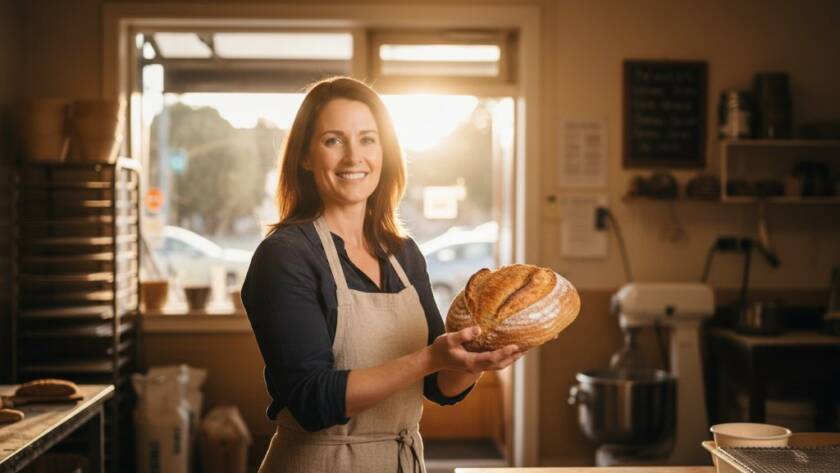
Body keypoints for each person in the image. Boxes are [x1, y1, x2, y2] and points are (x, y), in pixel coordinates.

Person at [241, 76, 522, 473]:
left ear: (385, 153)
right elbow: (311, 401)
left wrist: (472, 363)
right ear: (305, 156)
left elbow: (436, 386)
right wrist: (428, 359)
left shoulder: (403, 255)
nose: (353, 157)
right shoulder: (285, 256)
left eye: (368, 140)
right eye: (333, 140)